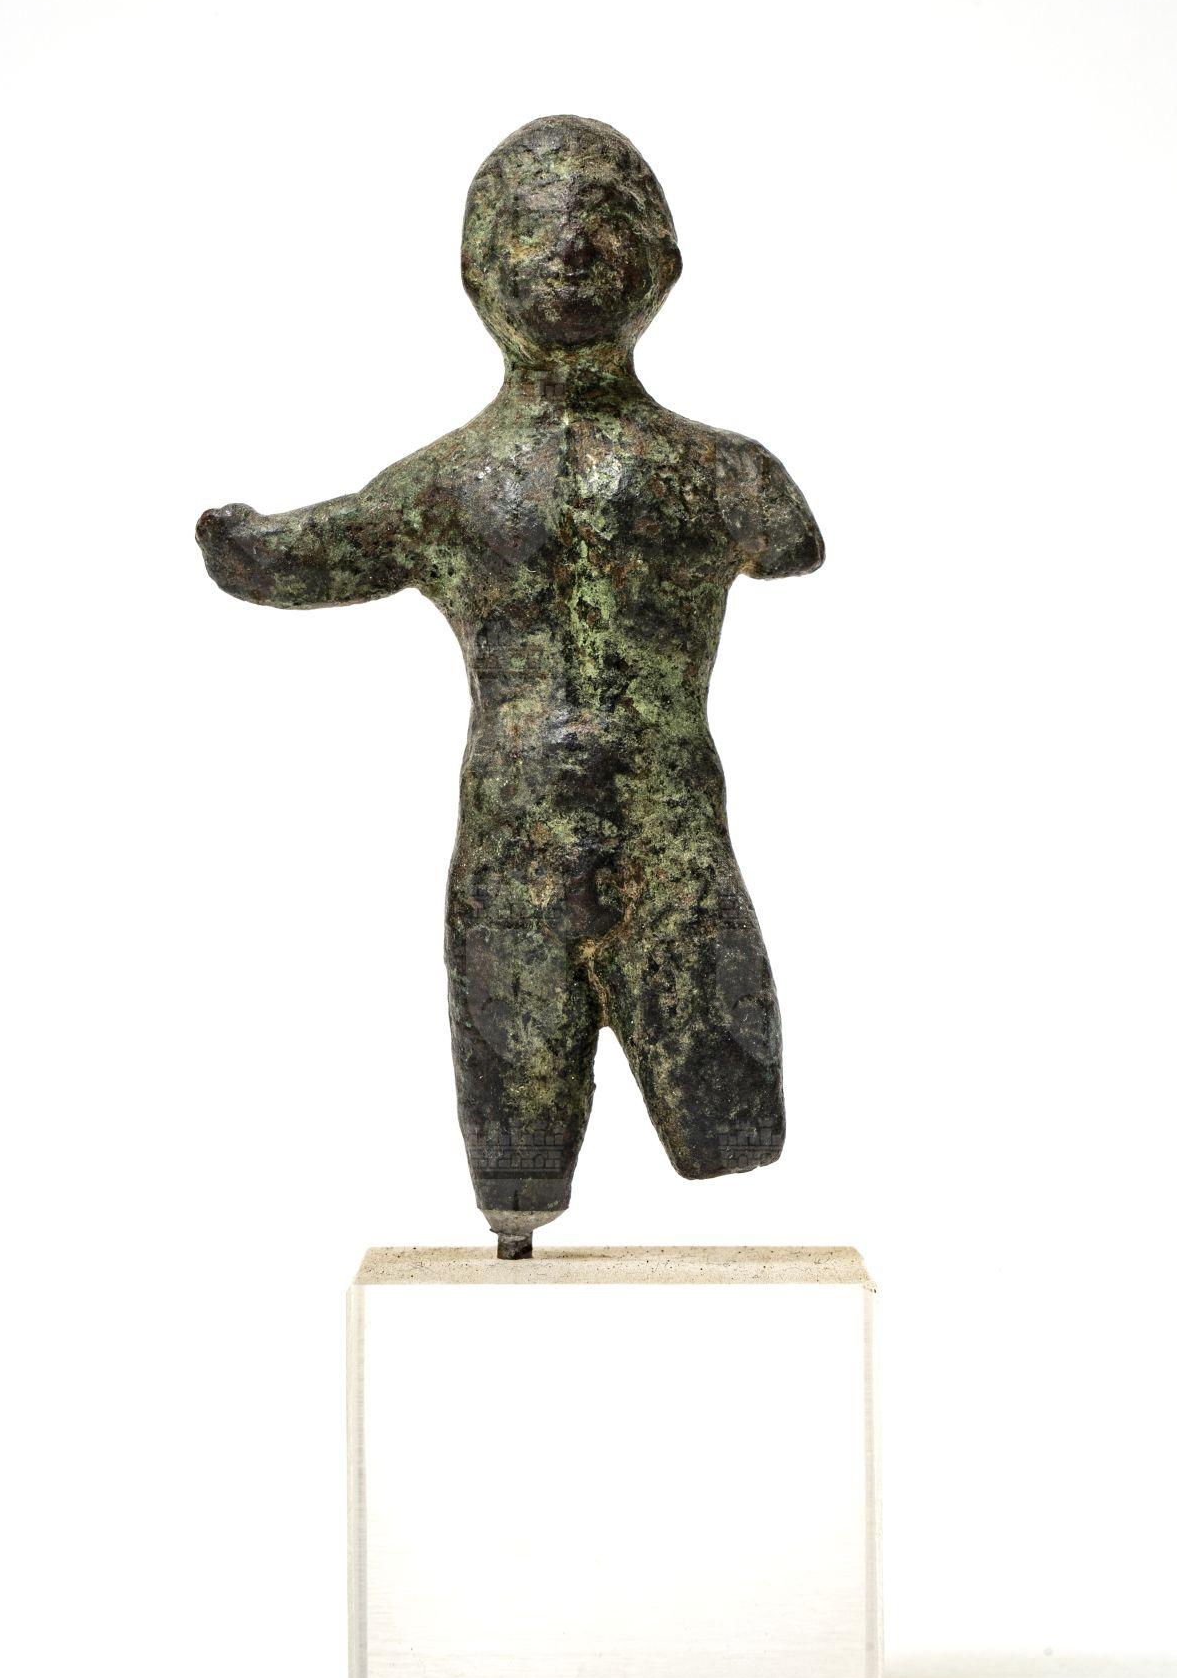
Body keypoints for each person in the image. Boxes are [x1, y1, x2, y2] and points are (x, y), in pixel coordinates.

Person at [197, 114, 824, 1257]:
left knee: (728, 1117)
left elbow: (793, 543)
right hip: (510, 843)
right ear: (476, 270)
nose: (573, 249)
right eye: (536, 227)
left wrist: (251, 550)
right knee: (512, 1125)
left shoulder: (728, 474)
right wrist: (242, 544)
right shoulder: (446, 487)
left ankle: (559, 1207)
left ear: (663, 264)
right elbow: (304, 555)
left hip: (669, 840)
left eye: (605, 223)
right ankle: (516, 1215)